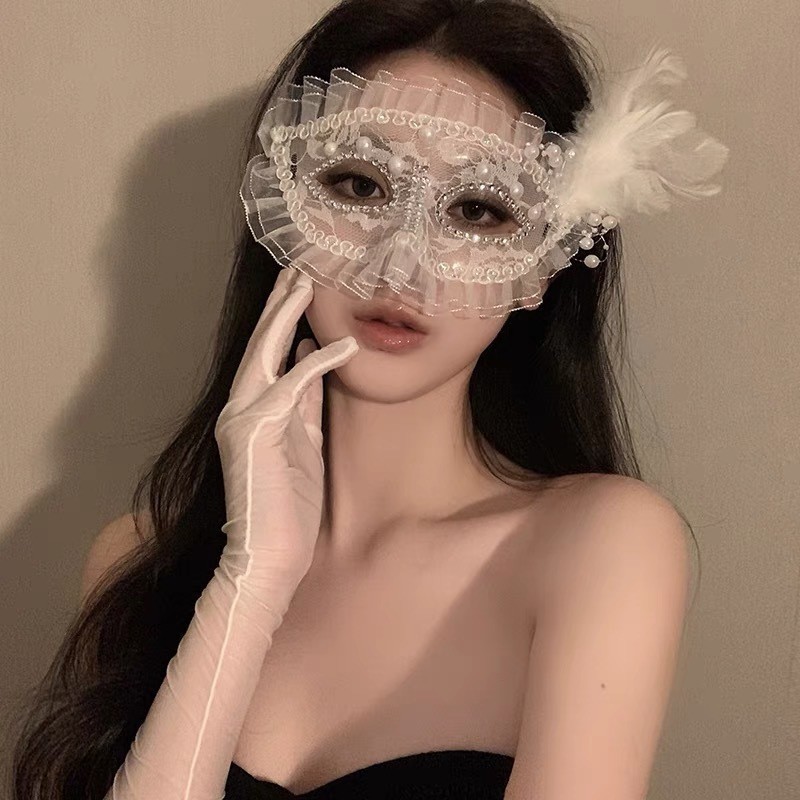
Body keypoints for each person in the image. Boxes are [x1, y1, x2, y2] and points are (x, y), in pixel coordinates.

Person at [10, 1, 728, 798]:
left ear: (544, 262)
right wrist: (250, 580)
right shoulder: (134, 564)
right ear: (282, 201)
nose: (401, 266)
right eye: (359, 185)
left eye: (478, 210)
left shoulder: (599, 548)